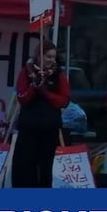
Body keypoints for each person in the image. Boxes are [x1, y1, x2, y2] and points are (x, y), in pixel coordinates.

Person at [12, 41, 71, 188]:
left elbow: (64, 101)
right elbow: (22, 98)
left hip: (49, 129)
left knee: (45, 169)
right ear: (39, 56)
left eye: (53, 57)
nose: (51, 60)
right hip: (28, 128)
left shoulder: (59, 75)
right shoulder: (26, 72)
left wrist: (46, 94)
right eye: (48, 56)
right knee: (24, 168)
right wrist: (34, 86)